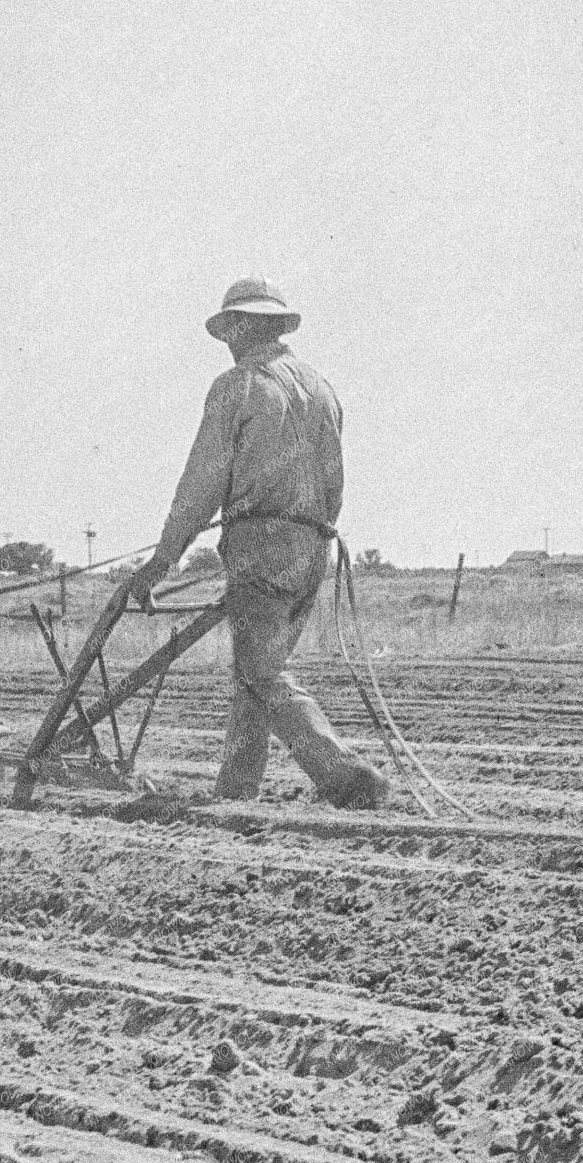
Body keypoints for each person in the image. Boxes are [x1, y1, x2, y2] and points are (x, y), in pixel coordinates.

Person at [128, 279, 391, 809]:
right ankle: (235, 793)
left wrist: (162, 560)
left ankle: (344, 774)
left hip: (261, 547)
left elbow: (201, 480)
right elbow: (336, 479)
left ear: (253, 325)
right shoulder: (322, 388)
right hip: (314, 547)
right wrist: (313, 534)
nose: (227, 338)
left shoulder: (238, 385)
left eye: (233, 326)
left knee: (262, 672)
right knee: (255, 672)